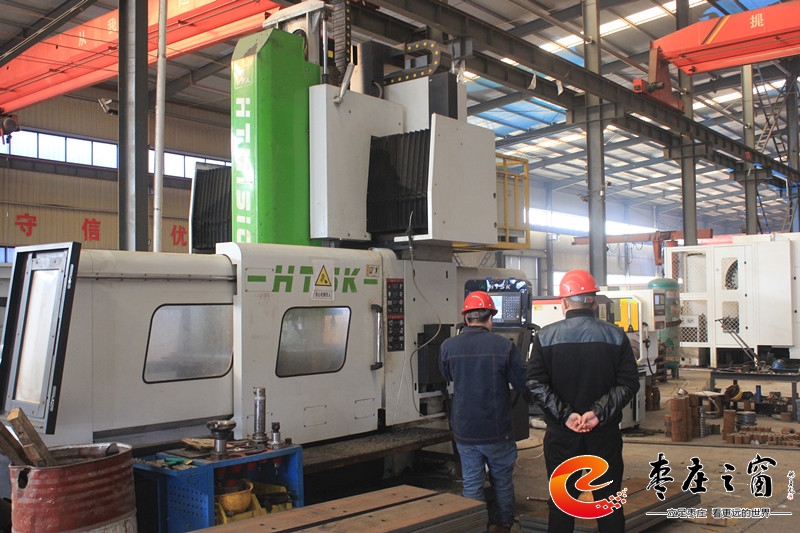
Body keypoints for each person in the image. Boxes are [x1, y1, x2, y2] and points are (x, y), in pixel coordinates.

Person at [526, 269, 640, 533]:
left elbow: (534, 383)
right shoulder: (616, 335)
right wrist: (598, 414)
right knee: (608, 503)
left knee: (562, 504)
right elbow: (628, 383)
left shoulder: (545, 337)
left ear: (564, 303)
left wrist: (566, 416)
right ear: (594, 303)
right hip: (604, 435)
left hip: (562, 437)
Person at [439, 290, 528, 533]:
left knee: (472, 483)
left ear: (466, 318)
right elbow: (522, 383)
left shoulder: (448, 346)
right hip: (497, 430)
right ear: (491, 318)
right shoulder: (505, 347)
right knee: (502, 482)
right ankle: (503, 525)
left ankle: (475, 527)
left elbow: (447, 375)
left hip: (465, 430)